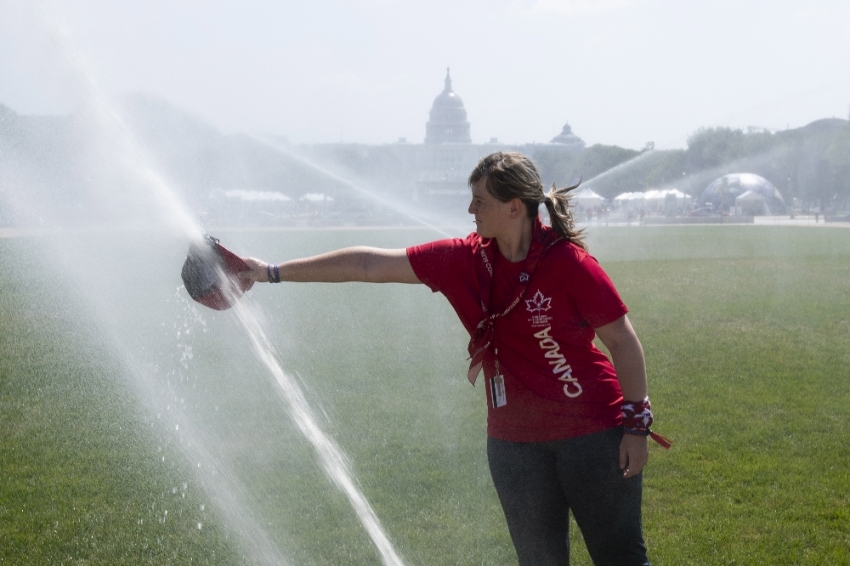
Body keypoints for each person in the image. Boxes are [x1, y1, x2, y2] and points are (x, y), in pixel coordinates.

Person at [239, 152, 669, 566]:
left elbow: (623, 342)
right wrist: (270, 271)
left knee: (620, 558)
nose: (470, 209)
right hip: (514, 445)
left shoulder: (570, 264)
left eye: (480, 201)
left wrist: (635, 427)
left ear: (514, 207)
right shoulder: (463, 259)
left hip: (592, 435)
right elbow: (369, 263)